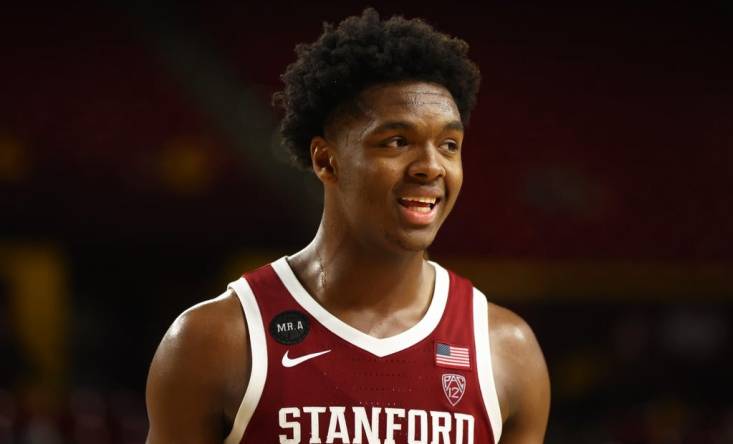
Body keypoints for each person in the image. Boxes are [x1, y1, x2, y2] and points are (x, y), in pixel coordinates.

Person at [145, 9, 549, 444]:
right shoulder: (215, 341)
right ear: (326, 160)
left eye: (449, 145)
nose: (431, 167)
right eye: (397, 141)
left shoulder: (505, 351)